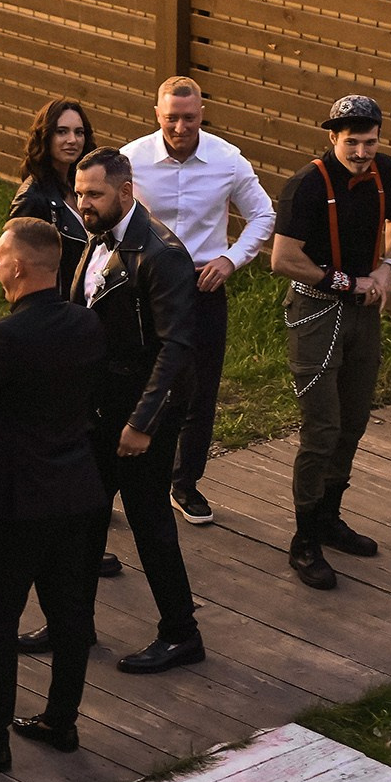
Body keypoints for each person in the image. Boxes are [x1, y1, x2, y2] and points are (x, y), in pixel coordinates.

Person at [0, 218, 106, 773]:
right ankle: (61, 722)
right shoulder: (86, 325)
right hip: (78, 491)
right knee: (69, 616)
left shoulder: (5, 339)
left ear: (16, 267)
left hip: (16, 502)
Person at [268, 97, 391, 590]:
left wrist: (388, 267)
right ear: (333, 138)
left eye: (370, 142)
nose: (362, 152)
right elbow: (283, 259)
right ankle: (304, 539)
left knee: (353, 420)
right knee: (322, 427)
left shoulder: (384, 170)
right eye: (352, 143)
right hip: (315, 309)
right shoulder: (306, 185)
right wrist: (349, 282)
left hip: (364, 313)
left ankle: (329, 517)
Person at [122, 78, 274, 526]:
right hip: (146, 287)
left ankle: (184, 483)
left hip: (204, 285)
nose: (180, 127)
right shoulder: (130, 160)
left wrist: (231, 259)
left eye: (189, 118)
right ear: (157, 114)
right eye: (171, 118)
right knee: (136, 379)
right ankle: (125, 477)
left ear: (202, 114)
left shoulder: (227, 161)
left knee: (200, 390)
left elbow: (263, 214)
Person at [71, 149, 202, 666]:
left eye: (94, 194)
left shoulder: (161, 254)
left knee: (150, 523)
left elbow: (176, 349)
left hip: (139, 411)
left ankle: (182, 633)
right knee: (84, 518)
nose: (84, 202)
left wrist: (141, 423)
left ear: (126, 192)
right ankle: (72, 625)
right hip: (100, 408)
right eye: (80, 192)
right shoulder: (98, 239)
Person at [10, 98, 96, 296]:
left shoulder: (83, 187)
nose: (72, 140)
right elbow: (17, 268)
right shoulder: (32, 199)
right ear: (45, 136)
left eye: (79, 132)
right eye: (62, 131)